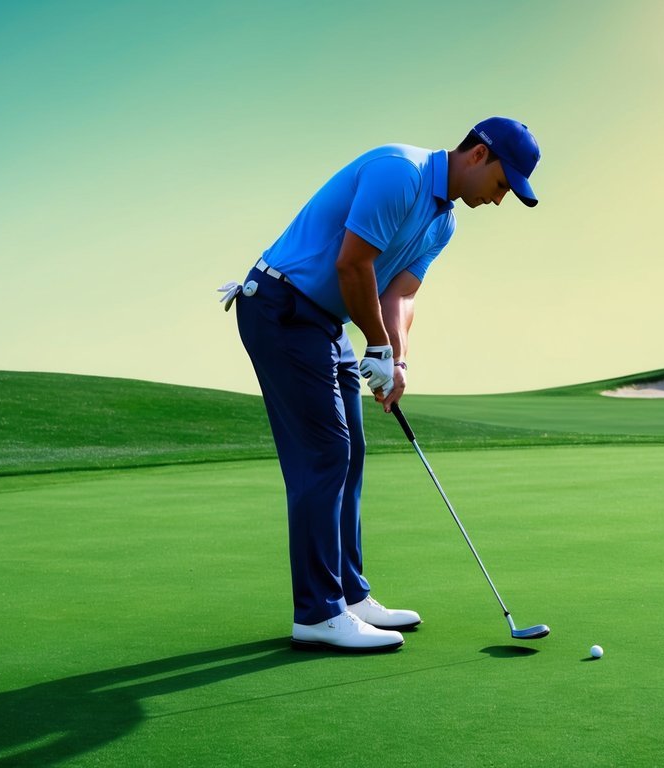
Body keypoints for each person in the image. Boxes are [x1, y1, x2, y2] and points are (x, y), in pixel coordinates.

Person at [218, 117, 541, 653]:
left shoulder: (444, 223)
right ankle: (318, 614)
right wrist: (378, 348)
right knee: (326, 455)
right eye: (504, 184)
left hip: (325, 322)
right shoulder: (401, 172)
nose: (500, 199)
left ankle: (349, 595)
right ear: (480, 155)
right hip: (280, 307)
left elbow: (401, 295)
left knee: (352, 454)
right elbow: (353, 263)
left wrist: (400, 363)